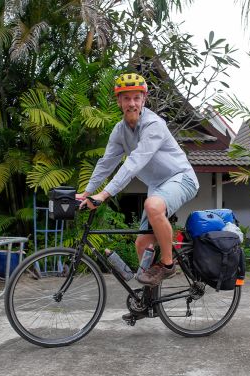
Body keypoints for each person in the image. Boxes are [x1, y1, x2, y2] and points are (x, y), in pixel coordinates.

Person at [77, 72, 199, 299]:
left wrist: (104, 194)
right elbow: (106, 163)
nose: (131, 103)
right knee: (142, 243)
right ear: (119, 102)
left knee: (152, 206)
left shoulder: (154, 124)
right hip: (158, 186)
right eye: (126, 98)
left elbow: (134, 164)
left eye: (136, 98)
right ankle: (149, 301)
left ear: (143, 100)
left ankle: (168, 264)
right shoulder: (119, 131)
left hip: (182, 178)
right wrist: (86, 192)